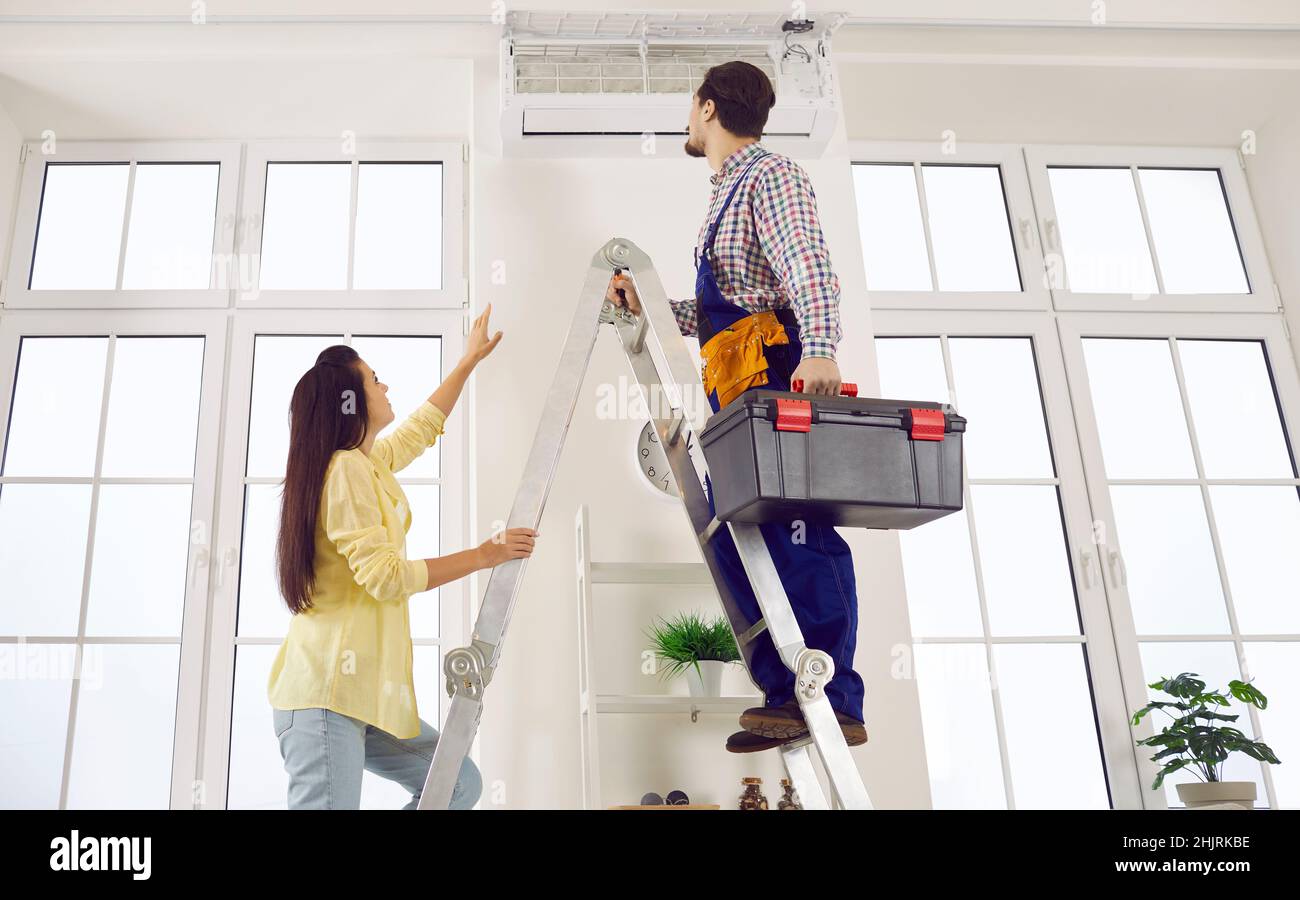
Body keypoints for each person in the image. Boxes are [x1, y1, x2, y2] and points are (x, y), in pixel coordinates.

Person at [605, 61, 867, 753]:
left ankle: (834, 697)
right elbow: (732, 312)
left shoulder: (770, 177)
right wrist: (656, 307)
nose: (689, 119)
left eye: (692, 108)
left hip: (779, 374)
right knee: (745, 535)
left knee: (798, 531)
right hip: (738, 383)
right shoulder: (727, 194)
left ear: (709, 108)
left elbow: (808, 265)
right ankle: (786, 692)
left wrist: (821, 349)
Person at [267, 305, 538, 807]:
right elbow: (387, 578)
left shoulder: (366, 465)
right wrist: (485, 554)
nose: (385, 387)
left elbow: (420, 429)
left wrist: (466, 364)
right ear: (350, 402)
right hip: (324, 695)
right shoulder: (345, 470)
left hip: (360, 698)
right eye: (375, 380)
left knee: (456, 782)